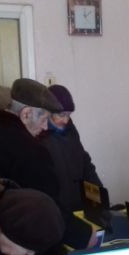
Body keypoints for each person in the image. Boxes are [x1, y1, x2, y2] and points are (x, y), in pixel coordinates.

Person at [0, 78, 95, 249]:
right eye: (44, 119)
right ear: (26, 114)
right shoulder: (29, 149)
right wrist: (83, 235)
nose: (45, 127)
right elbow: (47, 209)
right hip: (14, 244)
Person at [40, 84, 103, 212]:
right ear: (47, 112)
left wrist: (99, 197)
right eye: (61, 115)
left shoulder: (70, 129)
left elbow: (85, 162)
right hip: (57, 210)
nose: (65, 120)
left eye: (68, 115)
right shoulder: (39, 136)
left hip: (79, 206)